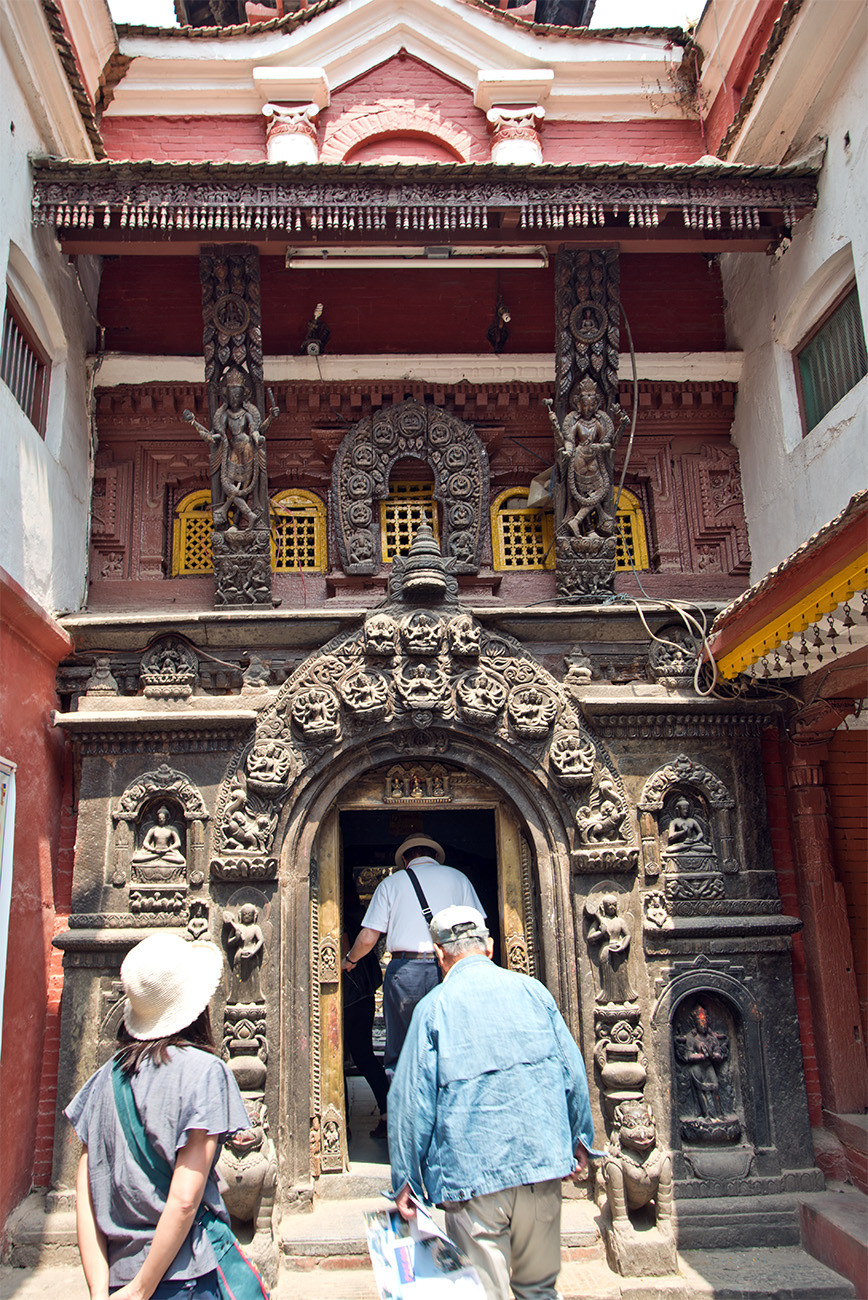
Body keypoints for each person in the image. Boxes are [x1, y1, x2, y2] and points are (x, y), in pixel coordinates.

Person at [388, 906, 597, 1300]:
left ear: (439, 953)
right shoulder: (534, 992)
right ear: (490, 946)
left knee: (485, 1293)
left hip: (472, 1179)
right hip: (540, 1168)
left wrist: (407, 1181)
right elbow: (571, 1071)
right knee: (539, 1290)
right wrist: (580, 1139)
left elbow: (411, 1104)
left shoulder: (433, 1009)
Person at [65, 932, 253, 1300]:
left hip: (118, 1277)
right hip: (186, 1275)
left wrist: (99, 1290)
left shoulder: (102, 1080)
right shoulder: (205, 1072)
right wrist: (141, 1288)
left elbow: (86, 1194)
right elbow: (184, 1199)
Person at [340, 835, 484, 1075]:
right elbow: (478, 930)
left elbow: (368, 937)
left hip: (405, 972)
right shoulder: (459, 879)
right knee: (450, 1043)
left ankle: (403, 1095)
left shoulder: (391, 884)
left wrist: (350, 960)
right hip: (451, 968)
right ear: (435, 855)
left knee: (402, 1048)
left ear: (405, 860)